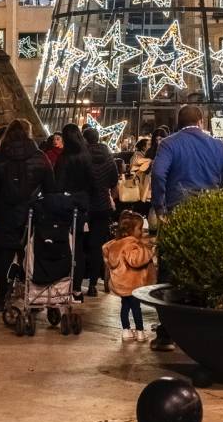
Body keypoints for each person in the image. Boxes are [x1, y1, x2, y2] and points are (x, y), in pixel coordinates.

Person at [150, 102, 223, 351]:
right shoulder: (217, 145)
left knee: (170, 270)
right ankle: (205, 326)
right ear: (201, 121)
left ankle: (166, 333)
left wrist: (160, 207)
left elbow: (159, 174)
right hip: (210, 211)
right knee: (208, 267)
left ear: (178, 122)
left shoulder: (169, 144)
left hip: (178, 211)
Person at [0, 118, 54, 312]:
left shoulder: (0, 158)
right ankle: (32, 295)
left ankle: (1, 297)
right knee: (31, 256)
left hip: (6, 213)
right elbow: (50, 188)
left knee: (4, 256)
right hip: (31, 214)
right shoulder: (40, 156)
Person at [54, 123, 96, 300]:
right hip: (83, 204)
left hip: (66, 204)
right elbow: (93, 182)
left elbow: (59, 183)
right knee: (79, 247)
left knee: (65, 245)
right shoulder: (86, 156)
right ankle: (77, 288)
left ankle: (64, 285)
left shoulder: (65, 158)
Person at [103, 210, 156, 342]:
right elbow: (135, 260)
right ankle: (140, 332)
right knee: (136, 308)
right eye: (140, 229)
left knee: (125, 307)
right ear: (132, 230)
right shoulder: (132, 245)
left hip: (122, 285)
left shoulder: (116, 245)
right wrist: (148, 251)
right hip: (133, 284)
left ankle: (126, 331)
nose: (142, 232)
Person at [82, 125, 119, 296]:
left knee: (82, 244)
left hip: (84, 205)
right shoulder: (108, 157)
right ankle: (93, 285)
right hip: (102, 205)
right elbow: (113, 182)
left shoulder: (82, 157)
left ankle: (78, 282)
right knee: (98, 245)